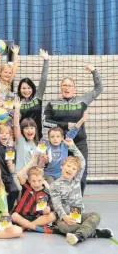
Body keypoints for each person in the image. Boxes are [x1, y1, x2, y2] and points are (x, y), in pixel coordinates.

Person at [43, 64, 103, 193]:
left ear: (74, 89)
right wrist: (65, 126)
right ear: (61, 88)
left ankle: (77, 202)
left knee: (81, 172)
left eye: (69, 85)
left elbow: (99, 89)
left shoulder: (82, 100)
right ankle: (62, 201)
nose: (67, 87)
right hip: (59, 145)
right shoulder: (52, 104)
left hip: (79, 143)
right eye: (64, 85)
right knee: (61, 174)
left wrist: (94, 71)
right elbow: (45, 122)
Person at [50, 139, 113, 245]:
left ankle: (79, 235)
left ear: (76, 172)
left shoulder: (76, 180)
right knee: (63, 227)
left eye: (74, 168)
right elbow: (57, 204)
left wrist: (73, 146)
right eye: (68, 166)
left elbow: (82, 162)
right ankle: (93, 232)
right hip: (65, 216)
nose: (70, 169)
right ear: (62, 166)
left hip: (78, 214)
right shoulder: (54, 185)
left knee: (95, 216)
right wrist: (64, 217)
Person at [11, 154, 56, 233]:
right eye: (33, 181)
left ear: (43, 179)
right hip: (22, 216)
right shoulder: (27, 186)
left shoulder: (47, 192)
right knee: (14, 216)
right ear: (29, 180)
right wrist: (31, 162)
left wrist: (47, 211)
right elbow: (19, 175)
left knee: (52, 216)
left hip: (36, 218)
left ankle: (26, 227)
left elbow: (48, 210)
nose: (36, 184)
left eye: (39, 181)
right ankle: (37, 229)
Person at [17, 49, 49, 139]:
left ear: (32, 88)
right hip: (21, 138)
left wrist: (46, 61)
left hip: (37, 136)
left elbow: (43, 79)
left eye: (29, 88)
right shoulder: (17, 101)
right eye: (23, 88)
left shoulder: (38, 96)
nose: (26, 90)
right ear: (19, 90)